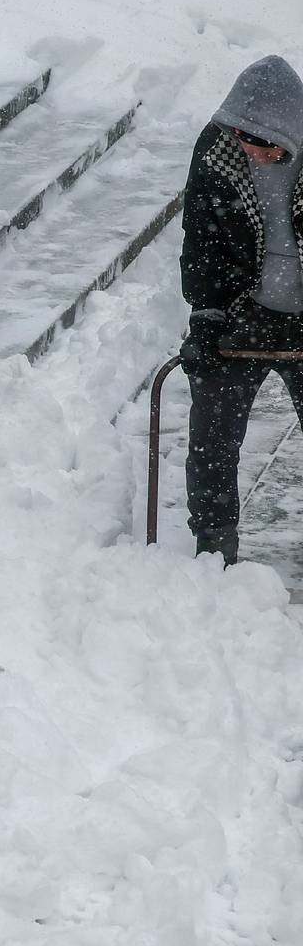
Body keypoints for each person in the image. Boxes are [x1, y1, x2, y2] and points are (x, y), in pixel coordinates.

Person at [179, 54, 303, 565]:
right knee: (213, 429)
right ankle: (214, 541)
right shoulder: (216, 150)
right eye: (244, 139)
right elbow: (201, 240)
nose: (253, 151)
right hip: (243, 307)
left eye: (266, 143)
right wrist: (206, 317)